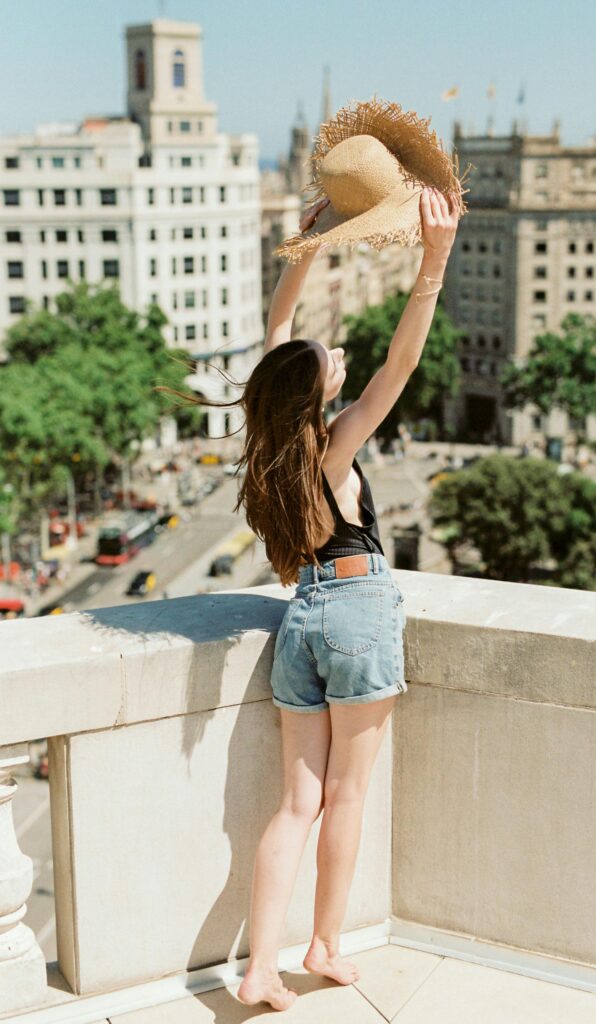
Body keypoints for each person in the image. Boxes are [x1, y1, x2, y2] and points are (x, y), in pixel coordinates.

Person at [153, 97, 464, 1013]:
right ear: (319, 392)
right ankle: (323, 945)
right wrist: (432, 265)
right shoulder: (334, 447)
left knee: (294, 805)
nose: (335, 359)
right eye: (331, 362)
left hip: (301, 623)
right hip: (358, 612)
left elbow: (276, 339)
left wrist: (304, 250)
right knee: (347, 799)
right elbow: (398, 368)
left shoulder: (272, 453)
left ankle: (256, 967)